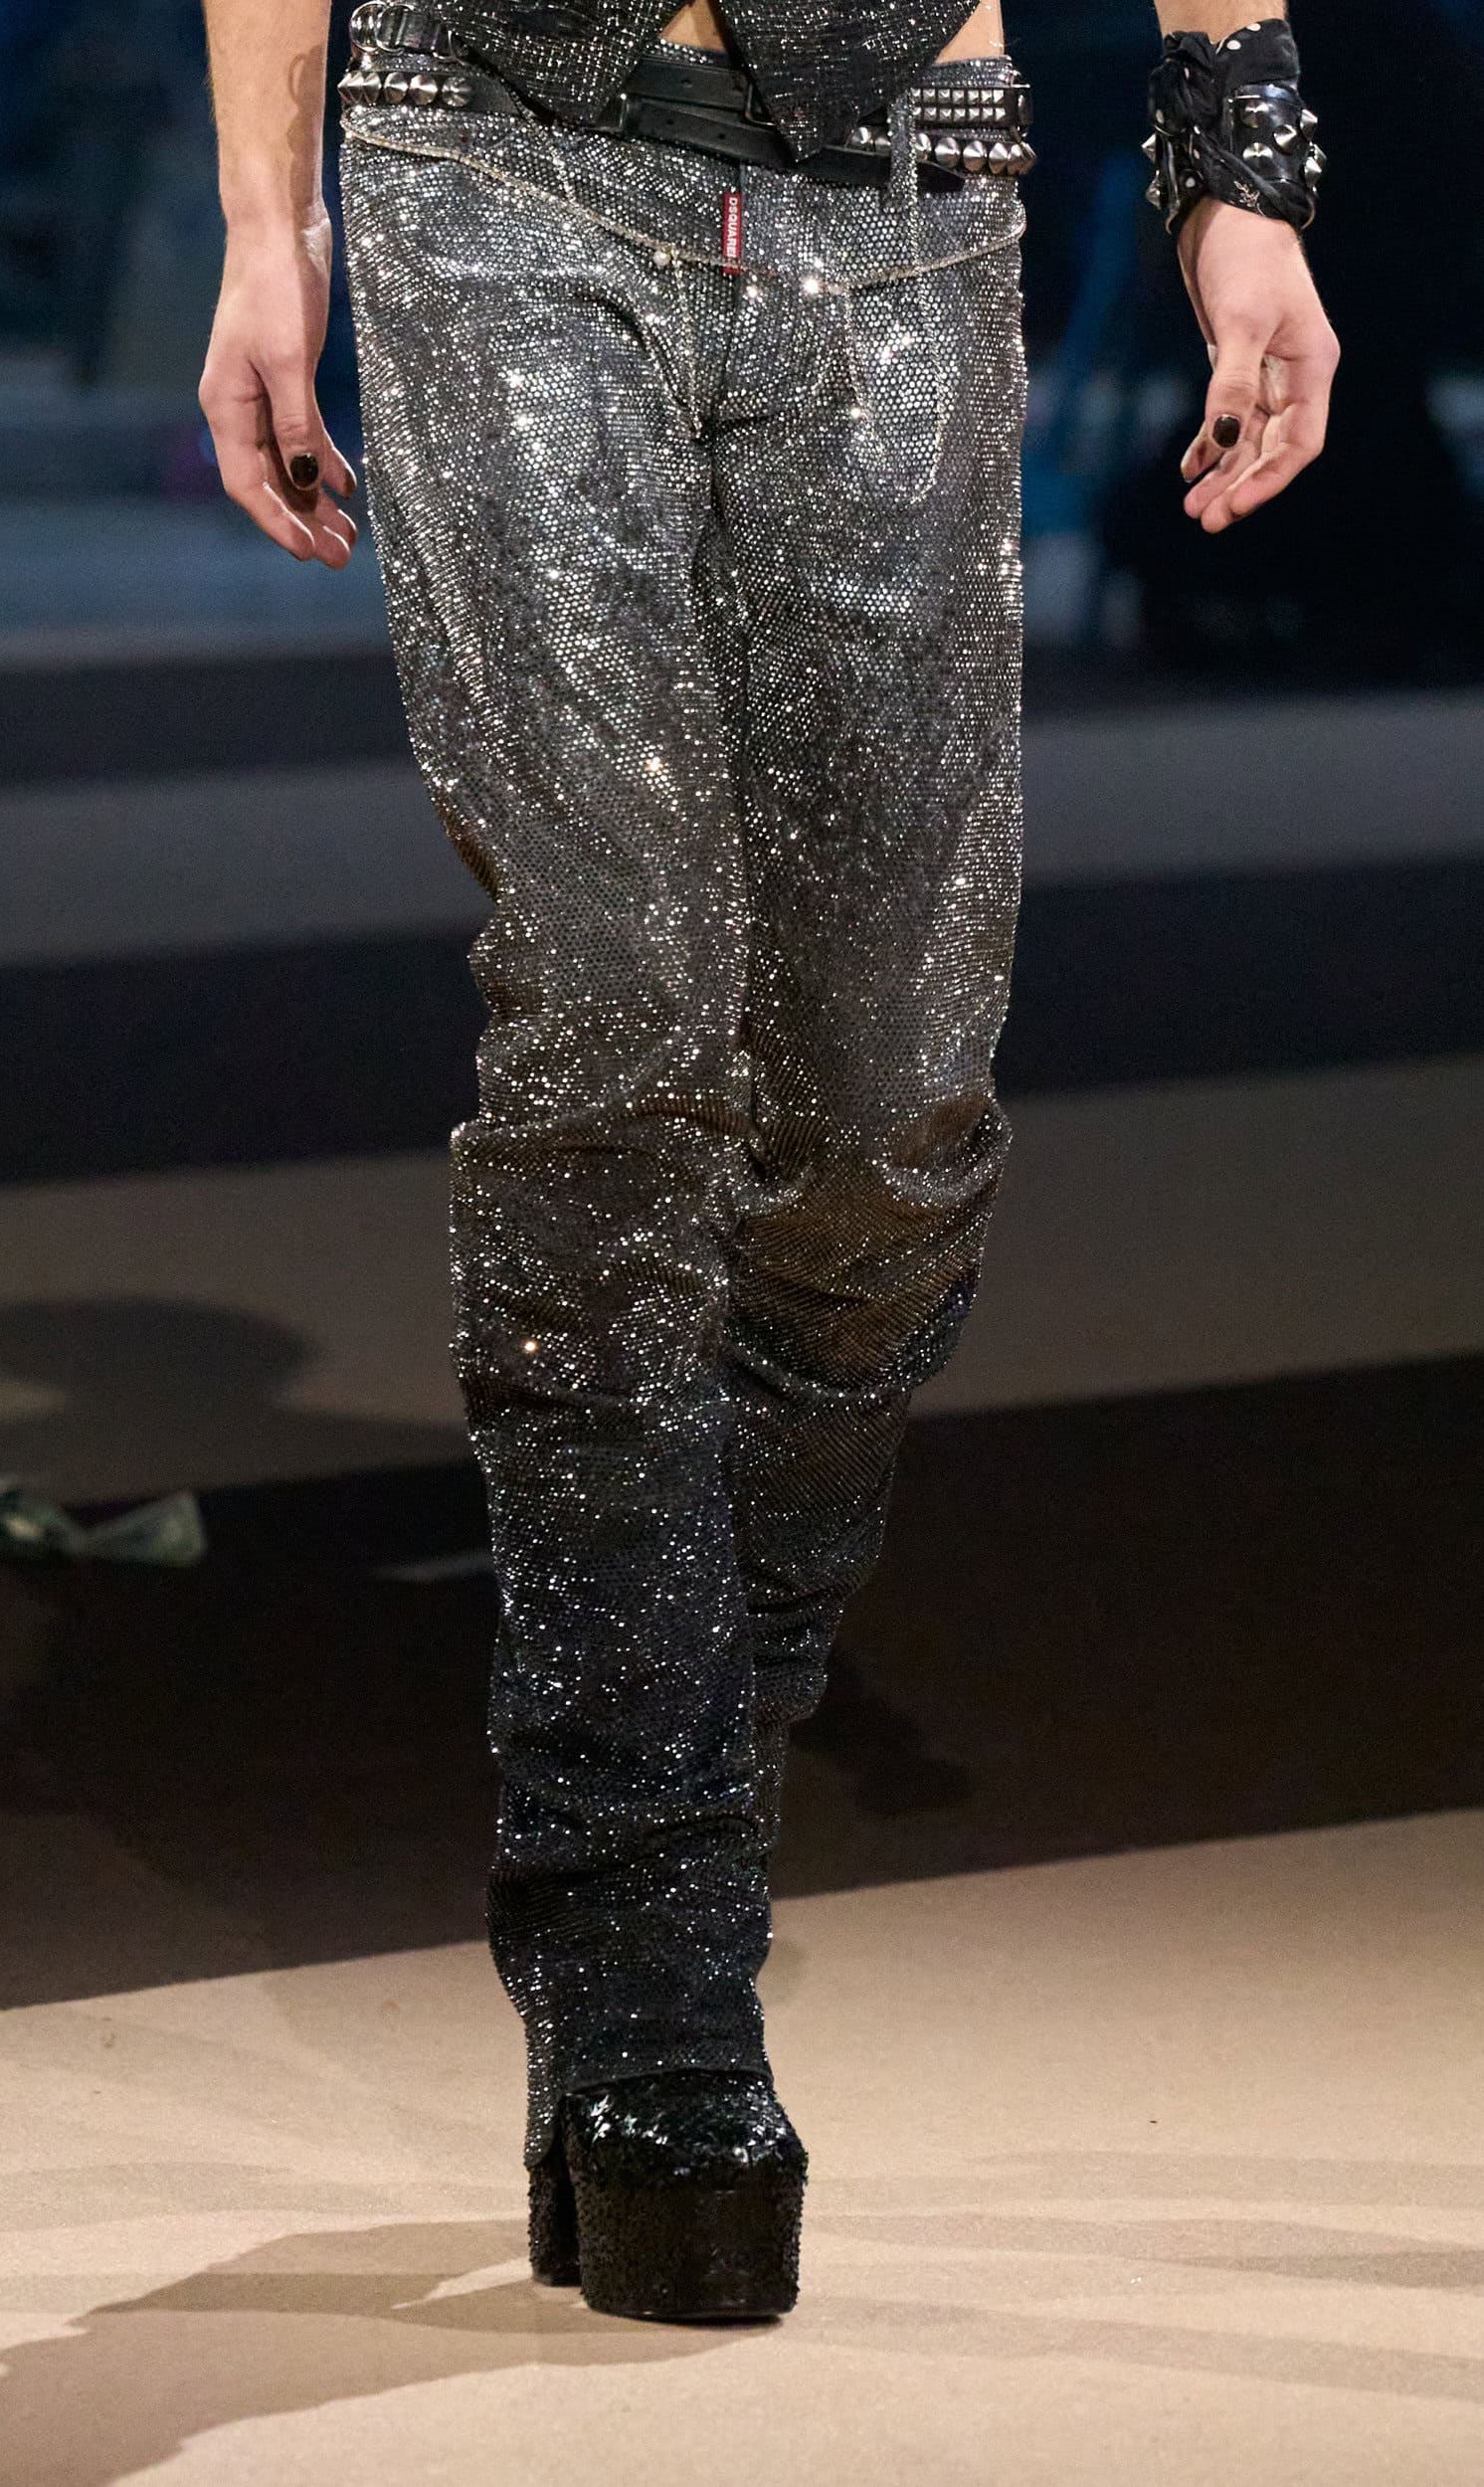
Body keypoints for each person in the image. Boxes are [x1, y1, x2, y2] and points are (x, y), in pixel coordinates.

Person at [197, 0, 1338, 2320]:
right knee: (617, 1010)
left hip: (909, 179)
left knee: (888, 1130)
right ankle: (652, 1982)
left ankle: (693, 1765)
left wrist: (1241, 158)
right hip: (487, 148)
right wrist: (264, 215)